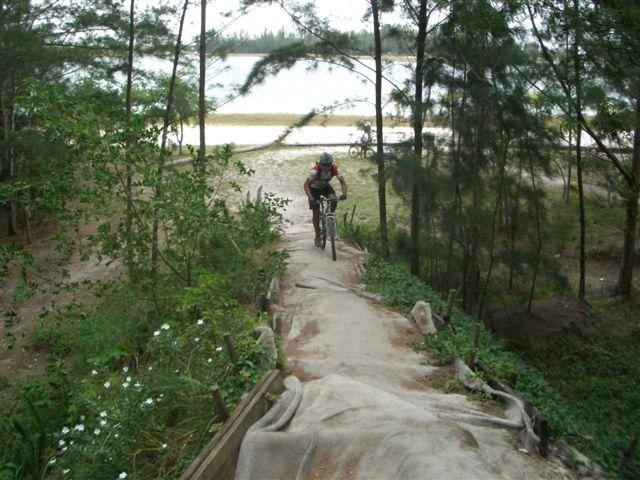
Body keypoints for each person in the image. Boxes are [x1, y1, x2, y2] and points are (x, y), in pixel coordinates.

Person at [304, 152, 348, 247]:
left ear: (331, 164)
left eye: (328, 165)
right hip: (313, 189)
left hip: (325, 187)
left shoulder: (334, 169)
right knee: (315, 214)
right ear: (320, 164)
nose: (326, 167)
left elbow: (343, 182)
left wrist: (344, 194)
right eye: (324, 165)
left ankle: (330, 217)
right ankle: (317, 236)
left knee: (334, 199)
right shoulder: (315, 172)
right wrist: (311, 198)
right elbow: (306, 185)